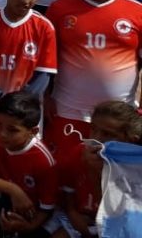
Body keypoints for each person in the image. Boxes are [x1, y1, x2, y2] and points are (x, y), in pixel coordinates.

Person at [43, 0, 142, 163]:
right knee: (66, 174)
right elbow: (47, 60)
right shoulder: (60, 8)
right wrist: (46, 94)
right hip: (68, 111)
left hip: (117, 118)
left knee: (110, 179)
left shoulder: (137, 12)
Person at [0, 91, 57, 236]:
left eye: (12, 130)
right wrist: (13, 190)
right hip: (7, 197)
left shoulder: (43, 160)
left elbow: (47, 207)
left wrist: (29, 226)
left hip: (32, 211)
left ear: (32, 132)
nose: (2, 133)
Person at [52, 100, 142, 238]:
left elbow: (117, 218)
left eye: (107, 134)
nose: (96, 138)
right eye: (93, 129)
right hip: (81, 218)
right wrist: (72, 212)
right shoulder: (80, 152)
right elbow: (66, 187)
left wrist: (96, 173)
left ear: (131, 140)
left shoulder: (134, 169)